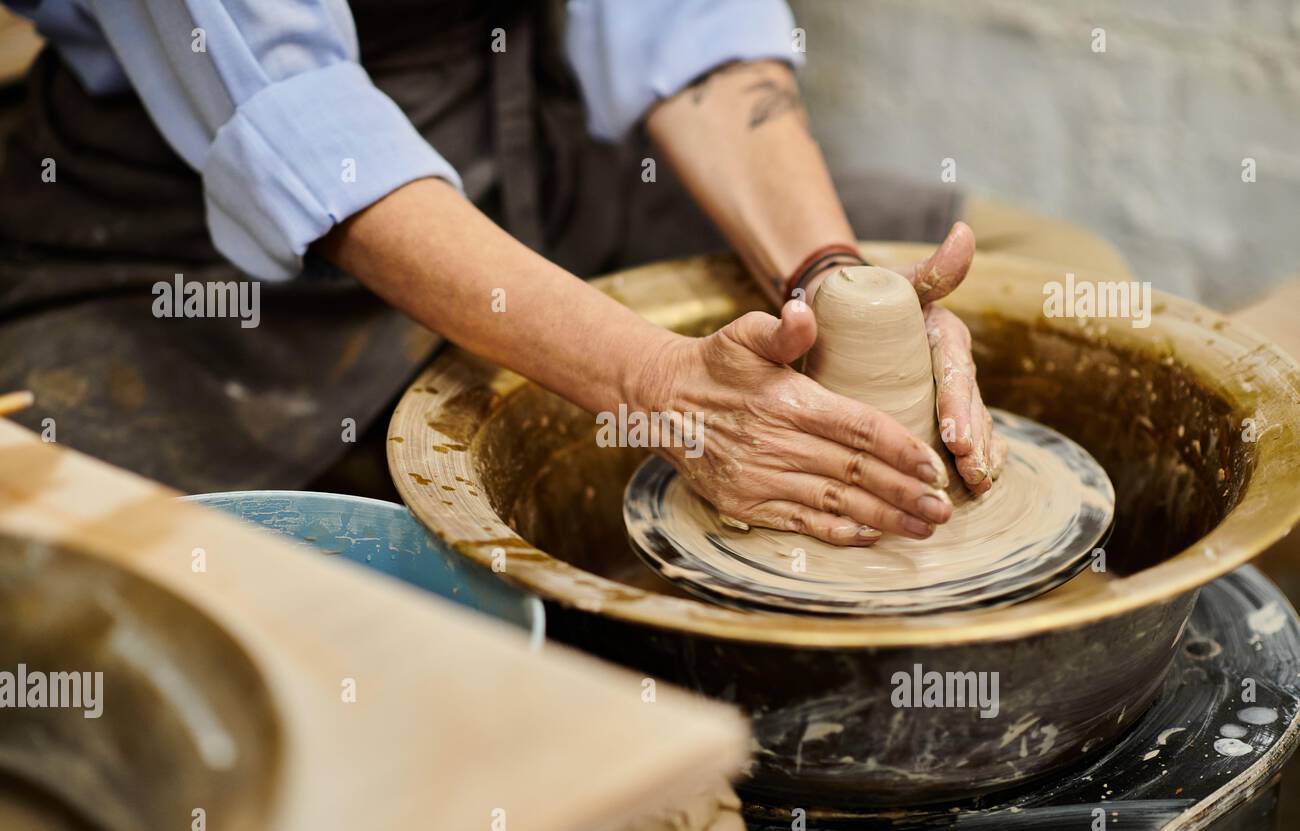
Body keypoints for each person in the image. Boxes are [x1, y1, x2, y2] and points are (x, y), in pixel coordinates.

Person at [0, 0, 998, 545]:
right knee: (87, 584)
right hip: (182, 227)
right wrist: (658, 387)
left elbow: (684, 27)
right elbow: (303, 129)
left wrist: (826, 283)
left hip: (529, 142)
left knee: (1033, 261)